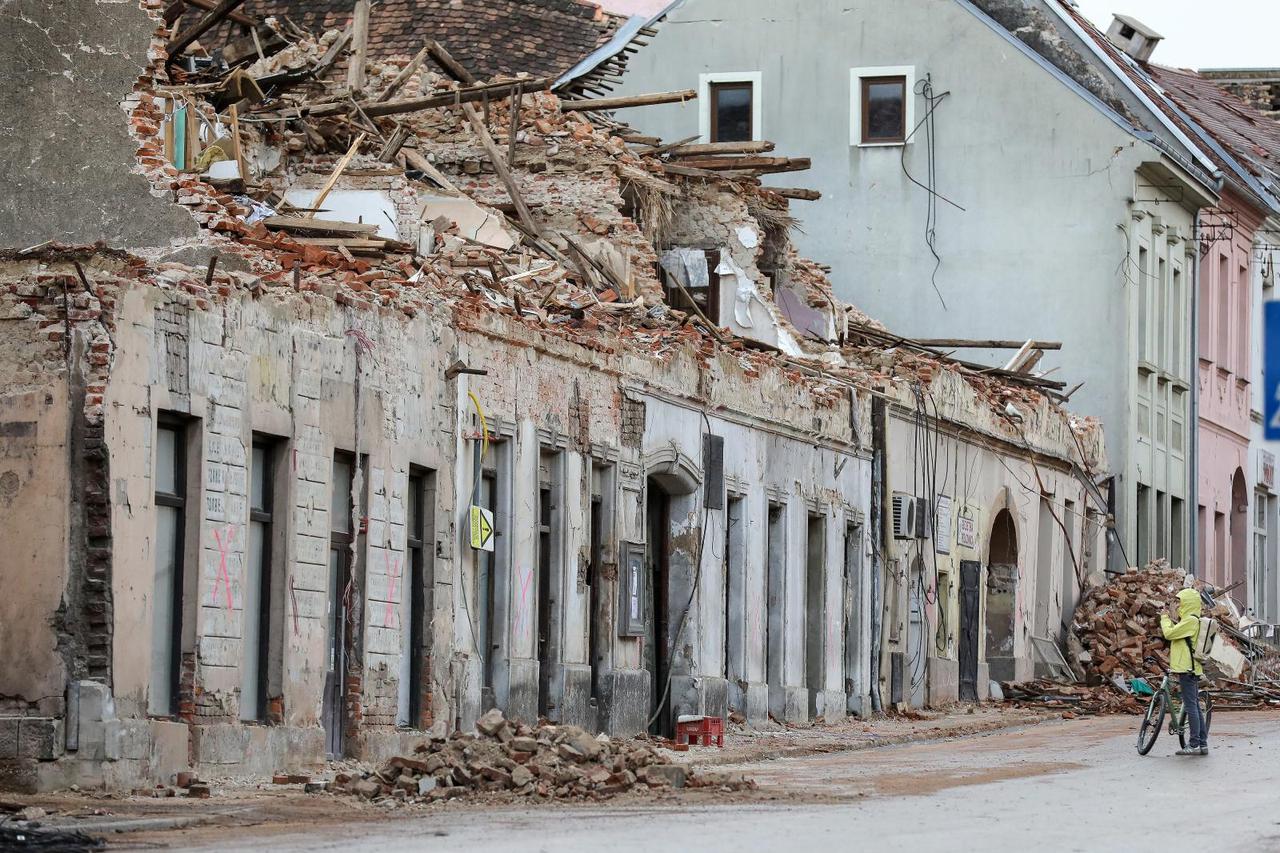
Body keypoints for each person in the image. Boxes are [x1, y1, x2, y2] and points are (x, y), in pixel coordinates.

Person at [1160, 587, 1208, 756]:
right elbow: (1179, 633)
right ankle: (1202, 743)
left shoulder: (1190, 621)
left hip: (1187, 669)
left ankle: (1194, 744)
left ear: (1188, 603)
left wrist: (1164, 618)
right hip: (1190, 668)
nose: (1178, 606)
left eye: (1181, 602)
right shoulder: (1191, 620)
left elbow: (1169, 634)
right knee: (1194, 705)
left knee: (1191, 706)